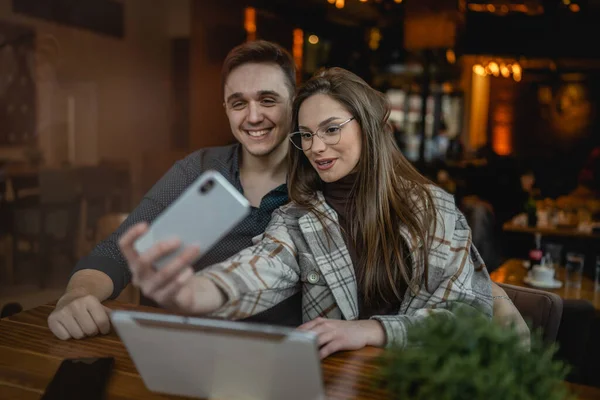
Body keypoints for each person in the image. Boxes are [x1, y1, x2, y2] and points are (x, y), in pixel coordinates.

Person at [119, 68, 495, 358]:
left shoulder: (433, 209)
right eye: (306, 135)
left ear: (369, 127)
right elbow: (255, 272)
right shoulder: (297, 218)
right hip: (336, 385)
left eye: (331, 129)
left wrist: (371, 331)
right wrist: (191, 293)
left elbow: (470, 319)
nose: (316, 147)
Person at [47, 40, 303, 340]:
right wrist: (76, 296)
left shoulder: (315, 180)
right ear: (226, 108)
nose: (254, 116)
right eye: (238, 103)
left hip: (272, 350)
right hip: (173, 337)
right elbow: (117, 251)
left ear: (294, 101)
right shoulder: (199, 169)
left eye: (268, 100)